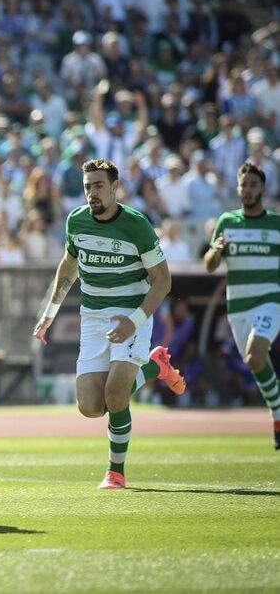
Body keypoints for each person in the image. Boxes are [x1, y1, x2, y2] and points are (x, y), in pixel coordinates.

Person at [33, 158, 186, 490]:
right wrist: (50, 312)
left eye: (99, 186)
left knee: (116, 396)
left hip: (132, 314)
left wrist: (135, 321)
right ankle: (155, 366)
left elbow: (162, 281)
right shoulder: (76, 221)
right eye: (88, 187)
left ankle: (115, 472)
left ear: (115, 187)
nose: (92, 193)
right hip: (93, 318)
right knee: (90, 407)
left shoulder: (136, 225)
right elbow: (68, 266)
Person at [203, 163, 280, 449]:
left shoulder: (275, 223)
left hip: (270, 301)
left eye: (252, 184)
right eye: (243, 184)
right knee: (258, 362)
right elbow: (210, 266)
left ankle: (278, 414)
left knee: (254, 355)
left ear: (262, 188)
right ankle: (278, 412)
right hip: (239, 309)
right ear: (237, 188)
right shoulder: (227, 222)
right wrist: (215, 251)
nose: (247, 190)